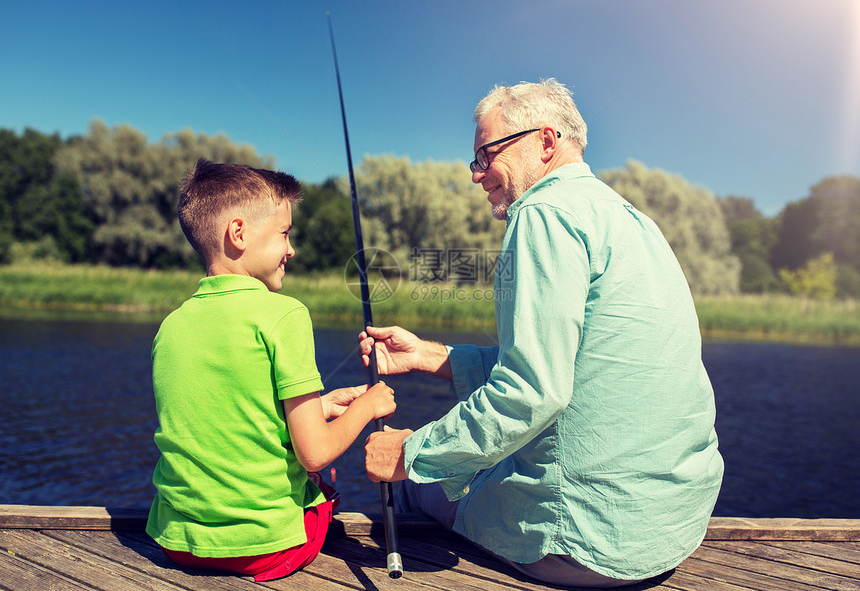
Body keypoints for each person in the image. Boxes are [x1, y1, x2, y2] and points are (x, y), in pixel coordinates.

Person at [360, 79, 723, 587]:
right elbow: (580, 363)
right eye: (476, 161)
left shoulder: (541, 215)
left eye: (487, 155)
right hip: (672, 527)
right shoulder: (631, 220)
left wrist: (408, 453)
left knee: (416, 484)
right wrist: (431, 355)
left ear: (546, 141)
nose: (477, 175)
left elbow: (530, 393)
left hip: (588, 544)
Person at [147, 159, 396, 582]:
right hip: (265, 550)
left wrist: (319, 405)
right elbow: (314, 453)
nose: (291, 249)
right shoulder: (285, 315)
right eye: (284, 233)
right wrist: (369, 406)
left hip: (177, 542)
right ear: (239, 233)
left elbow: (226, 413)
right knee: (321, 483)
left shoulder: (170, 325)